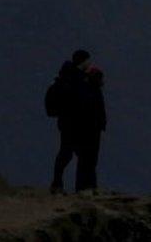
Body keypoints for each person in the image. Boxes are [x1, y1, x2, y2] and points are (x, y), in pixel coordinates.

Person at [50, 49, 106, 194]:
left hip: (71, 124)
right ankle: (82, 187)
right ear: (84, 61)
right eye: (88, 60)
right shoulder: (76, 79)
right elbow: (83, 103)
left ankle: (62, 184)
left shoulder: (73, 77)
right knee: (81, 155)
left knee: (70, 154)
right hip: (77, 125)